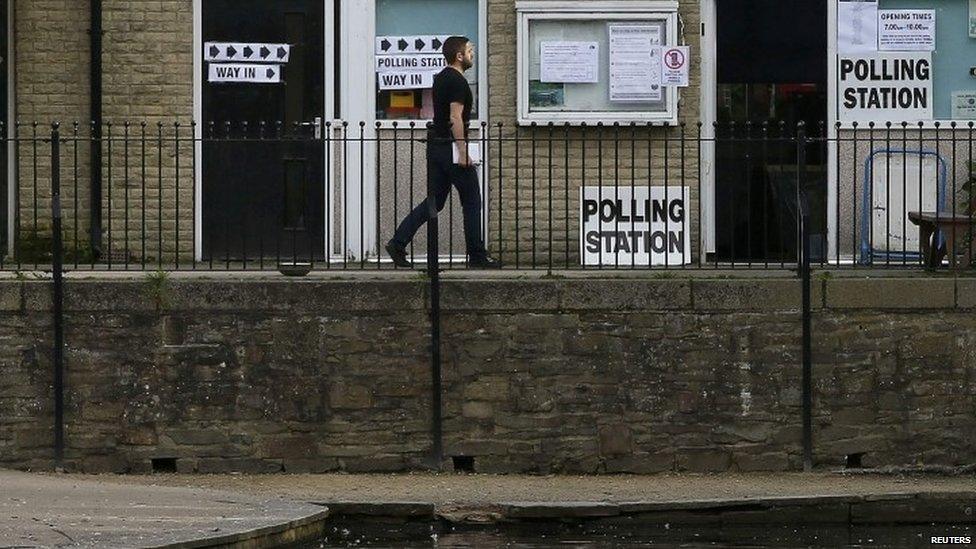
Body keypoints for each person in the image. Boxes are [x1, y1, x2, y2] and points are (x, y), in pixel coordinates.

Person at [386, 36, 501, 269]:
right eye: (469, 50)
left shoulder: (440, 79)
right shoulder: (458, 82)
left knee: (434, 202)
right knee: (472, 201)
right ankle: (477, 256)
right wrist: (462, 149)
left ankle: (398, 243)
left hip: (436, 147)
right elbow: (454, 117)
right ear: (459, 56)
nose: (472, 54)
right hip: (450, 147)